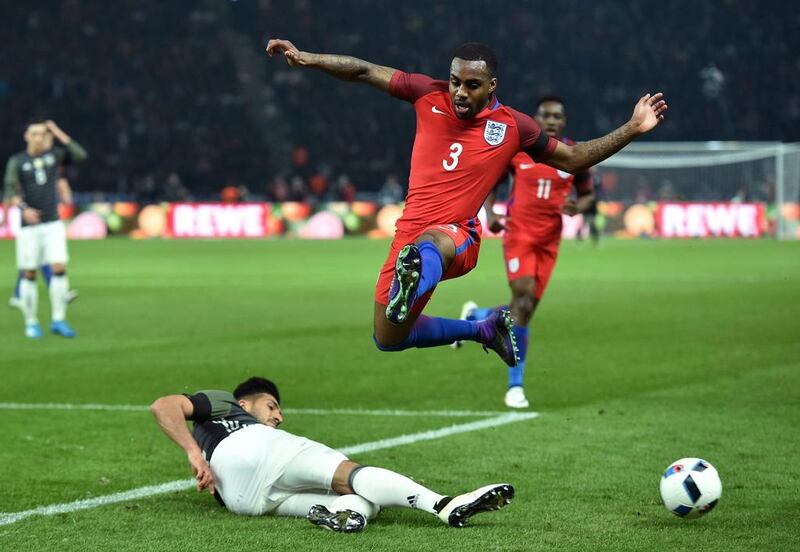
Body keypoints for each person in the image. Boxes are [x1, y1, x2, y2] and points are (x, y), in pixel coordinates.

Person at [265, 39, 667, 369]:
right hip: (408, 235)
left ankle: (414, 276)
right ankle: (482, 329)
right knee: (388, 338)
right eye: (456, 80)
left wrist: (632, 128)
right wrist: (307, 58)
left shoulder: (514, 127)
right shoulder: (427, 93)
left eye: (471, 84)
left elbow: (574, 159)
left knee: (430, 244)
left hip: (458, 237)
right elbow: (364, 69)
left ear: (492, 85)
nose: (459, 91)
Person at [151, 377, 515, 532]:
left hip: (241, 500)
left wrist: (199, 454)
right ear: (245, 402)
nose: (278, 415)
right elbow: (164, 405)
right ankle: (443, 505)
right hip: (251, 450)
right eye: (272, 406)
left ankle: (347, 518)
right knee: (349, 473)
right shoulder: (226, 403)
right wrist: (194, 454)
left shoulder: (213, 429)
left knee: (360, 499)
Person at [455, 96, 595, 409]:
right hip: (518, 234)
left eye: (557, 116)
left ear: (564, 121)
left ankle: (475, 318)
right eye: (546, 115)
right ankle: (515, 386)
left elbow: (588, 195)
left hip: (549, 241)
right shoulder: (519, 150)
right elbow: (491, 181)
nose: (552, 121)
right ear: (537, 118)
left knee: (526, 309)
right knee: (521, 301)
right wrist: (489, 213)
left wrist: (578, 206)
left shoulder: (574, 154)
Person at [3, 119, 87, 338]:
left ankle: (59, 319)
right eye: (35, 134)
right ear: (26, 136)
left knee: (59, 268)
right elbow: (9, 191)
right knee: (29, 272)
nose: (39, 137)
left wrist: (57, 131)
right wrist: (23, 208)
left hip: (52, 223)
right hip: (29, 227)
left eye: (42, 134)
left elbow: (80, 155)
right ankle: (31, 322)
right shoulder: (17, 161)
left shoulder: (53, 157)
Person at [8, 176, 79, 310]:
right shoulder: (25, 177)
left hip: (40, 223)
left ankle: (17, 296)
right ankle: (59, 295)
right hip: (29, 226)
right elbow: (13, 194)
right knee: (36, 262)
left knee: (33, 262)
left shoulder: (35, 180)